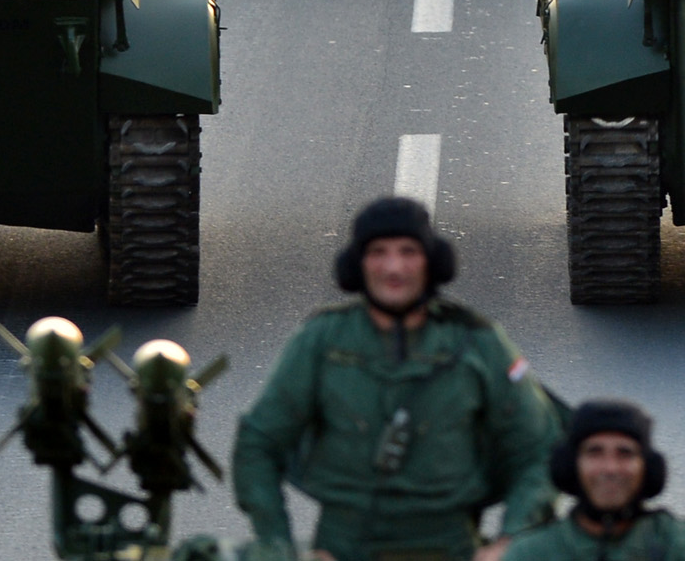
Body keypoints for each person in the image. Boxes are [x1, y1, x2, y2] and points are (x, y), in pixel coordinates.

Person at [231, 197, 557, 561]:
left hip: (450, 543)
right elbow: (259, 441)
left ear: (432, 262)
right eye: (377, 252)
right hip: (344, 545)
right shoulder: (322, 340)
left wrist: (512, 540)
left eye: (409, 252)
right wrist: (277, 544)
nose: (393, 267)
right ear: (357, 264)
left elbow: (538, 448)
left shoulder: (477, 341)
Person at [503, 402, 685, 561]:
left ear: (647, 467)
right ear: (571, 465)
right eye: (594, 453)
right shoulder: (530, 554)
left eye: (625, 454)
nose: (610, 468)